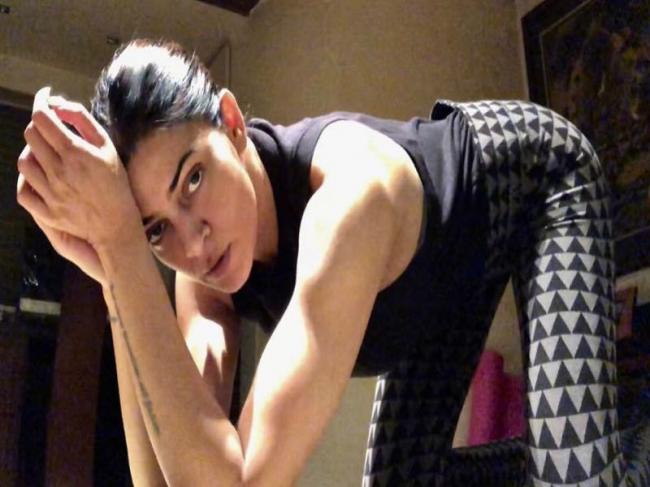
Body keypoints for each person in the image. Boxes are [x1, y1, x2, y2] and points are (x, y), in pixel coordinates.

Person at [15, 38, 639, 486]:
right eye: (155, 229)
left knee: (577, 477)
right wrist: (115, 276)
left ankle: (629, 440)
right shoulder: (198, 274)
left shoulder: (346, 202)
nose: (194, 246)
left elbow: (245, 479)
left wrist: (126, 250)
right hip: (435, 283)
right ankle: (589, 442)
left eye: (193, 179)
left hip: (535, 183)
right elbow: (175, 476)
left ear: (231, 122)